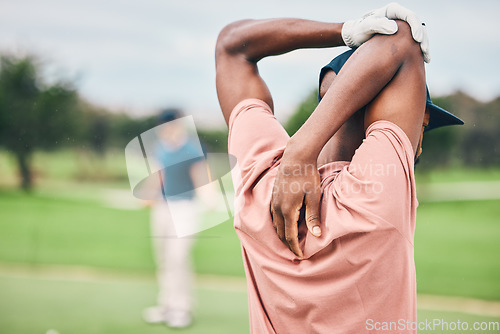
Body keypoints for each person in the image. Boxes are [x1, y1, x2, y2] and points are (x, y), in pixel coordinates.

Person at [215, 3, 462, 334]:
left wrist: (344, 29)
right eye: (421, 119)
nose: (419, 139)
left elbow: (231, 46)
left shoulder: (260, 180)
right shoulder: (376, 196)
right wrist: (301, 151)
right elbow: (402, 38)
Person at [142, 110, 207, 328]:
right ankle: (166, 305)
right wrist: (148, 194)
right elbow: (159, 175)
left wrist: (210, 198)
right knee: (163, 257)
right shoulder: (160, 147)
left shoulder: (192, 148)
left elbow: (201, 176)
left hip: (185, 208)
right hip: (163, 207)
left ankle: (182, 308)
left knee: (178, 257)